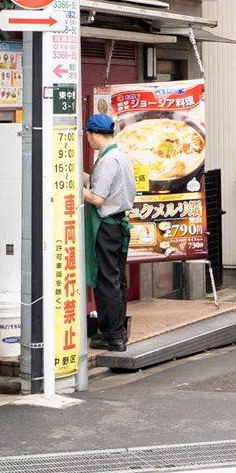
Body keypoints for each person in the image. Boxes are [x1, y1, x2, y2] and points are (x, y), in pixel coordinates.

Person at [82, 113, 135, 353]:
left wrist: (69, 187)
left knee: (107, 282)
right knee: (117, 281)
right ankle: (116, 332)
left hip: (107, 227)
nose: (88, 139)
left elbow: (97, 197)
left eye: (88, 135)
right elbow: (98, 184)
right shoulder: (120, 155)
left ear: (94, 134)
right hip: (119, 226)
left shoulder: (106, 161)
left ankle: (113, 336)